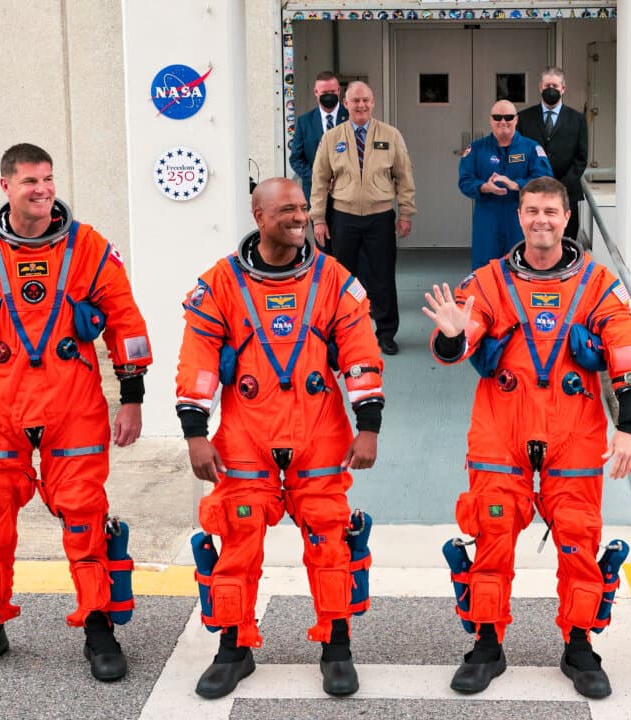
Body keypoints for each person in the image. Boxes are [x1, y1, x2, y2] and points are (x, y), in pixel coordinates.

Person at [0, 143, 153, 682]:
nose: (43, 189)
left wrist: (133, 397)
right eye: (30, 181)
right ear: (6, 186)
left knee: (83, 513)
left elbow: (124, 319)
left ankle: (99, 623)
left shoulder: (89, 247)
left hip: (72, 405)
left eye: (48, 179)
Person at [423, 176, 631, 698]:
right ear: (519, 216)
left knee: (577, 539)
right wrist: (455, 333)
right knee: (492, 536)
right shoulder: (488, 281)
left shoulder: (597, 283)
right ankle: (486, 644)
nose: (541, 220)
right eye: (531, 211)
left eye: (550, 211)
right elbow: (456, 340)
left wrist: (630, 428)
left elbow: (627, 353)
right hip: (501, 429)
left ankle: (579, 643)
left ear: (567, 217)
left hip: (574, 428)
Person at [176, 177, 385, 699]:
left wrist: (369, 426)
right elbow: (198, 361)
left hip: (318, 433)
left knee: (331, 542)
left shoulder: (333, 278)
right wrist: (196, 434)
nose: (299, 216)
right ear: (259, 215)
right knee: (237, 543)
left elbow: (360, 352)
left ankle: (336, 646)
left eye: (302, 207)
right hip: (246, 436)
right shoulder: (220, 284)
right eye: (287, 209)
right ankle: (234, 648)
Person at [311, 81, 415, 356]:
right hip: (343, 218)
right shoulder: (332, 138)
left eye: (366, 100)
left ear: (373, 102)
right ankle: (342, 333)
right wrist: (318, 218)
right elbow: (319, 181)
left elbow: (404, 178)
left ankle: (386, 333)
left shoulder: (391, 135)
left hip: (380, 218)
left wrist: (405, 213)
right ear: (346, 104)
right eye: (355, 101)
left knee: (383, 277)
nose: (361, 105)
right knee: (343, 279)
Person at [459, 99, 552, 270]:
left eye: (508, 117)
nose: (503, 122)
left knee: (522, 266)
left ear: (516, 119)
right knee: (485, 270)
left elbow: (545, 180)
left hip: (520, 218)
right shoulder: (477, 149)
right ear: (490, 120)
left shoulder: (531, 148)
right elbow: (465, 180)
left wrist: (517, 185)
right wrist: (484, 187)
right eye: (497, 117)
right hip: (487, 218)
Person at [517, 67, 589, 242]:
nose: (551, 89)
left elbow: (581, 158)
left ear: (563, 89)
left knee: (566, 242)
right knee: (532, 241)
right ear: (540, 87)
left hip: (566, 193)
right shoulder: (523, 118)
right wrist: (534, 182)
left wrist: (560, 186)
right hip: (532, 192)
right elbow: (519, 155)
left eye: (555, 86)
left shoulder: (577, 119)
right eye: (547, 85)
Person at [288, 70, 349, 231]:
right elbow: (296, 158)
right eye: (324, 92)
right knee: (323, 245)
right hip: (316, 194)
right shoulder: (304, 121)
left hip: (348, 194)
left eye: (332, 92)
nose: (329, 95)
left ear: (338, 91)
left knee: (347, 245)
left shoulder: (351, 117)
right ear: (316, 92)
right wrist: (317, 177)